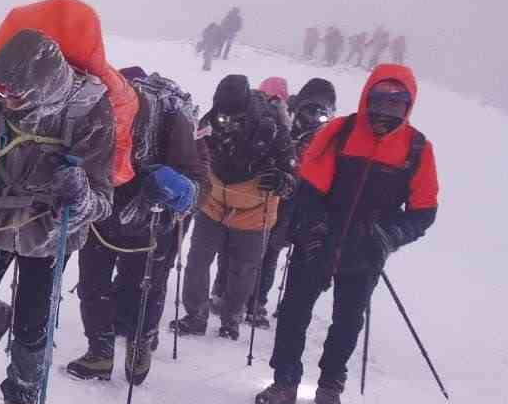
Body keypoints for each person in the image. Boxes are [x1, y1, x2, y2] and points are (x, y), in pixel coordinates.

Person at [0, 28, 114, 404]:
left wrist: (78, 194)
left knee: (33, 320)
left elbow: (103, 199)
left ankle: (21, 397)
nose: (4, 101)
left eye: (15, 95)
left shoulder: (88, 110)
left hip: (50, 225)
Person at [256, 64, 438, 404]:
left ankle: (330, 385)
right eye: (380, 99)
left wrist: (389, 236)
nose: (387, 108)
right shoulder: (340, 132)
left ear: (409, 103)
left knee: (349, 318)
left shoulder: (417, 148)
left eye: (397, 101)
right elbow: (309, 187)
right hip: (318, 240)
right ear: (367, 96)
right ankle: (285, 380)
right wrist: (313, 225)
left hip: (367, 248)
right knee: (294, 311)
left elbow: (423, 210)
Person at [67, 66, 205, 383]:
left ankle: (139, 342)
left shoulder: (170, 119)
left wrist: (181, 191)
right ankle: (100, 352)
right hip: (103, 211)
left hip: (153, 217)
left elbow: (197, 175)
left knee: (143, 286)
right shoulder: (96, 111)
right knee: (92, 284)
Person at [171, 74, 296, 341]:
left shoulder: (271, 128)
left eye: (233, 116)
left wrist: (281, 180)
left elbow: (291, 175)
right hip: (213, 201)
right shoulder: (209, 120)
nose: (225, 121)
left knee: (243, 269)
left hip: (254, 209)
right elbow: (194, 155)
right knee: (197, 261)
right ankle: (195, 316)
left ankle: (231, 319)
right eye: (222, 114)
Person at [242, 77, 336, 327]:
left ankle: (257, 301)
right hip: (276, 194)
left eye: (321, 111)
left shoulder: (328, 137)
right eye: (310, 108)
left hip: (302, 200)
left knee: (273, 251)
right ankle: (248, 299)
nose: (314, 115)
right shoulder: (281, 119)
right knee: (263, 248)